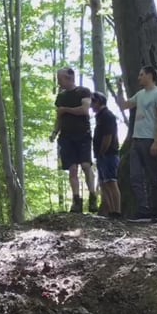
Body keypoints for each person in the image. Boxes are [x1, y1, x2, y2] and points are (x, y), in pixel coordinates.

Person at [114, 65, 157, 222]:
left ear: (150, 75)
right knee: (135, 176)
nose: (139, 78)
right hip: (136, 140)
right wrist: (119, 88)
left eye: (141, 75)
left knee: (153, 177)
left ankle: (156, 212)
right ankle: (143, 209)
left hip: (150, 139)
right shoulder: (140, 94)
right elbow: (123, 105)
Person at [50, 67, 98, 213]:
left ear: (68, 77)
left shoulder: (83, 91)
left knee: (85, 165)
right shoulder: (61, 97)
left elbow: (84, 110)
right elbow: (59, 117)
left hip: (82, 134)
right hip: (66, 137)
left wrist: (66, 110)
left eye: (60, 79)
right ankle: (76, 200)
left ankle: (93, 195)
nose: (59, 82)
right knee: (72, 169)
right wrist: (54, 132)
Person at [91, 92, 122, 219]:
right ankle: (110, 212)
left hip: (109, 154)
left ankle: (117, 211)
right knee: (104, 184)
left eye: (93, 102)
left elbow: (108, 136)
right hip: (102, 156)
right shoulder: (100, 116)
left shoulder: (107, 116)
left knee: (111, 182)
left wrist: (103, 152)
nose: (91, 105)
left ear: (99, 102)